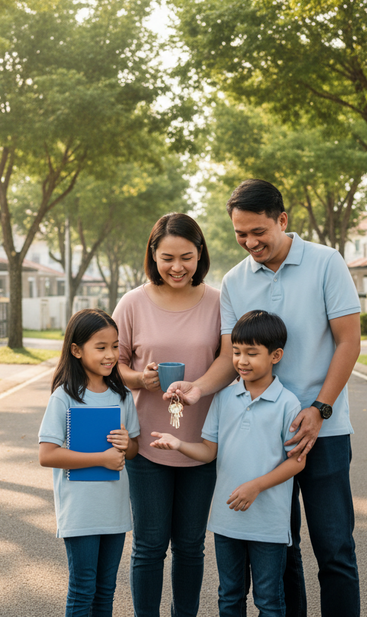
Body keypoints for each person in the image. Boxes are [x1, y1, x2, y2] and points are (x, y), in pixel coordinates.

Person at [166, 179, 362, 617]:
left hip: (323, 430)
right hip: (261, 438)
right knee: (282, 548)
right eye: (241, 234)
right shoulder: (235, 281)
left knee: (335, 549)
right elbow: (227, 356)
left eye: (259, 232)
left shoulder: (327, 263)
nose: (250, 242)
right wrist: (197, 389)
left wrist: (319, 409)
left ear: (282, 220)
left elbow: (348, 342)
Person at [112, 212, 232, 617]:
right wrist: (138, 380)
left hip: (202, 443)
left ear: (200, 254)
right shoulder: (132, 303)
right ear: (153, 255)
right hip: (146, 443)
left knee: (190, 546)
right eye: (167, 258)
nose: (177, 267)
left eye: (186, 256)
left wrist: (198, 388)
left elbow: (230, 360)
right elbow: (115, 362)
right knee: (148, 546)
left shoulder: (219, 301)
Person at [152, 310, 305, 617]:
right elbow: (210, 451)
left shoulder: (288, 403)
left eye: (252, 353)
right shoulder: (224, 397)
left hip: (268, 525)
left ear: (276, 355)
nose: (242, 361)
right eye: (236, 352)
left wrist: (255, 487)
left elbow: (296, 463)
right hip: (227, 522)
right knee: (229, 596)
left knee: (269, 602)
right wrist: (178, 443)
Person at [38, 309, 140, 617]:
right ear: (76, 350)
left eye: (114, 346)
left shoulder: (122, 395)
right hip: (81, 510)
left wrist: (127, 445)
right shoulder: (65, 397)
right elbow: (47, 454)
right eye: (101, 347)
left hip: (114, 509)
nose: (111, 355)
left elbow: (133, 448)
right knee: (83, 589)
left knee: (106, 591)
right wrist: (102, 458)